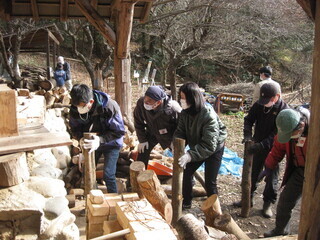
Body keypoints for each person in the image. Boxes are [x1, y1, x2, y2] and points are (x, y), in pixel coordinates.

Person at [234, 83, 289, 218]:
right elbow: (248, 119)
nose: (266, 103)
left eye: (269, 100)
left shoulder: (284, 111)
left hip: (274, 150)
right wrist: (247, 135)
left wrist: (263, 145)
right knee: (252, 174)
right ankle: (247, 198)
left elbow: (277, 133)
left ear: (277, 96)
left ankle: (267, 204)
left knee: (271, 178)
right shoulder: (259, 105)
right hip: (257, 144)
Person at [174, 82, 227, 209]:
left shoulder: (208, 114)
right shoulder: (185, 113)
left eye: (183, 97)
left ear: (192, 98)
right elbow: (180, 132)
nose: (181, 100)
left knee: (210, 182)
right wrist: (176, 145)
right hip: (199, 146)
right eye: (180, 97)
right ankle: (186, 202)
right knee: (186, 171)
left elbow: (209, 145)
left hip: (214, 148)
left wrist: (190, 155)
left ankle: (215, 211)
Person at [69, 84, 125, 193]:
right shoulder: (75, 108)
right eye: (77, 106)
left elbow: (118, 132)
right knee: (88, 172)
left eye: (82, 106)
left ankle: (114, 200)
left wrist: (100, 140)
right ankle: (92, 199)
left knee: (108, 174)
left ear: (91, 102)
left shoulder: (109, 106)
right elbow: (75, 127)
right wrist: (81, 140)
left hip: (112, 143)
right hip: (90, 143)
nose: (79, 109)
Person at [263, 108, 309, 237]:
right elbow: (277, 149)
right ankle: (281, 230)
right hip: (299, 171)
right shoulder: (287, 128)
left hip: (315, 171)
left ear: (301, 126)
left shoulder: (315, 128)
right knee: (285, 201)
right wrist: (268, 167)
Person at [133, 86, 182, 167]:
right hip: (152, 132)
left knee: (179, 157)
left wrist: (175, 141)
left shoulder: (173, 108)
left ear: (158, 102)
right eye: (146, 98)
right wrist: (142, 140)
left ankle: (185, 177)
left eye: (150, 100)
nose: (146, 102)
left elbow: (181, 127)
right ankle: (139, 175)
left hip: (170, 134)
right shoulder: (141, 103)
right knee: (143, 151)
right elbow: (138, 122)